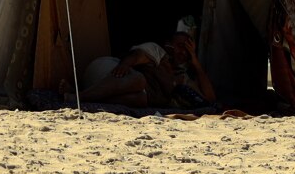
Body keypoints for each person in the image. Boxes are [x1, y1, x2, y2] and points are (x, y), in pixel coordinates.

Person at [79, 18, 218, 108]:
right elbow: (137, 56)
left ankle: (88, 98)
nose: (183, 52)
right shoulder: (157, 51)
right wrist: (125, 64)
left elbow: (209, 99)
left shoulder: (181, 76)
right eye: (181, 46)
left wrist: (195, 61)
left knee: (142, 99)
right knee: (139, 80)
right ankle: (78, 97)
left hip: (105, 90)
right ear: (168, 44)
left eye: (188, 50)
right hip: (105, 72)